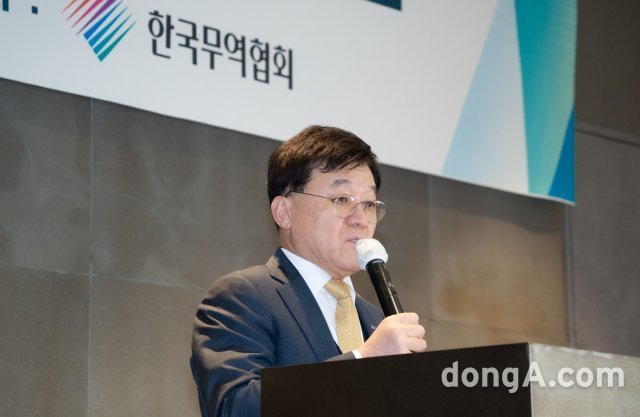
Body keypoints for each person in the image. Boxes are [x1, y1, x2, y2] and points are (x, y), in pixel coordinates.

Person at [190, 125, 427, 417]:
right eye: (342, 200)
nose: (361, 219)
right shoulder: (241, 297)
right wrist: (361, 360)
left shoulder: (374, 320)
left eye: (368, 204)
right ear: (284, 212)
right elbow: (235, 407)